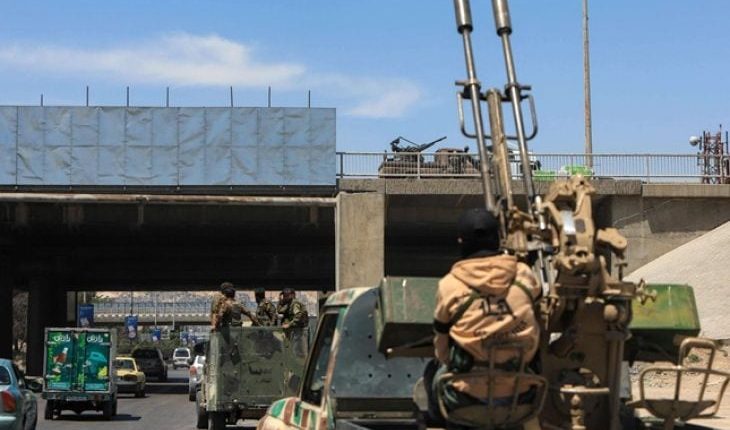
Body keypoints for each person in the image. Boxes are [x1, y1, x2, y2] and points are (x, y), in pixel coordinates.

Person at [427, 208, 541, 428]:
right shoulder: (524, 274)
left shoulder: (450, 285)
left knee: (432, 371)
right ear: (498, 238)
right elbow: (537, 304)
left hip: (467, 400)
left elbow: (441, 347)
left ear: (461, 242)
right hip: (521, 396)